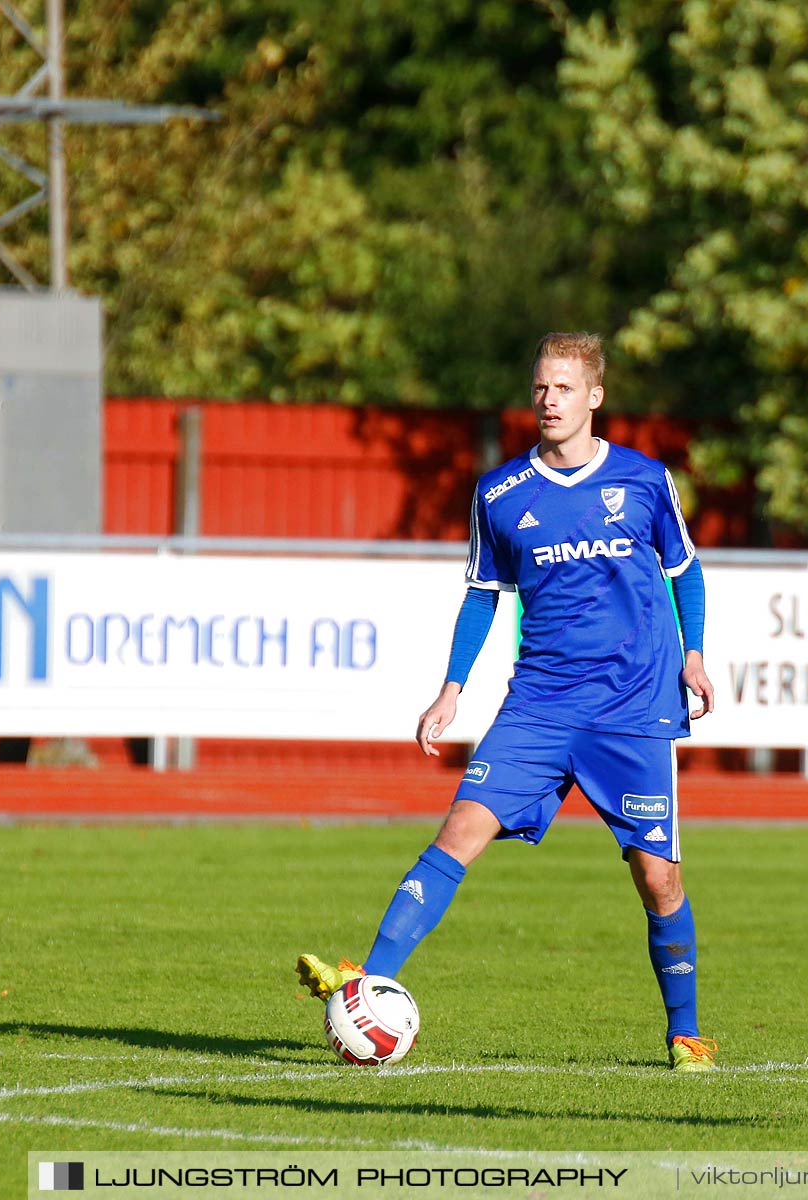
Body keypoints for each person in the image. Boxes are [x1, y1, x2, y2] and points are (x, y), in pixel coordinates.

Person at [297, 332, 720, 1070]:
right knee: (459, 829)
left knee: (658, 878)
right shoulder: (500, 494)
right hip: (539, 707)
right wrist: (451, 690)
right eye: (539, 388)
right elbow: (481, 596)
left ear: (595, 396)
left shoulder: (646, 482)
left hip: (631, 707)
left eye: (563, 388)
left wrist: (694, 653)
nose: (548, 400)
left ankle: (685, 1033)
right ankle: (366, 978)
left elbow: (685, 571)